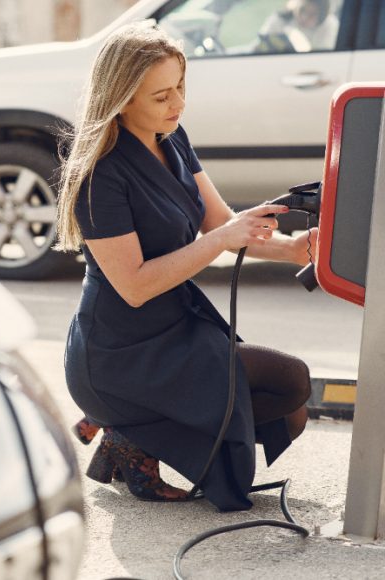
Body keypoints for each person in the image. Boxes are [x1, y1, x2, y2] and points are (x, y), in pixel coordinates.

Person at [55, 21, 317, 511]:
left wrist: (294, 248)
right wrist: (224, 237)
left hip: (176, 325)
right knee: (290, 383)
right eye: (161, 95)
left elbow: (220, 222)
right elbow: (134, 286)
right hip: (119, 351)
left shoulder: (171, 136)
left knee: (293, 405)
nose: (177, 104)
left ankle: (128, 427)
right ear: (122, 98)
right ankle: (125, 418)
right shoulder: (100, 172)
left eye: (180, 87)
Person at [258, 0, 339, 52]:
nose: (304, 18)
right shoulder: (280, 18)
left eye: (312, 15)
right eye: (302, 10)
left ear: (322, 16)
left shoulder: (329, 25)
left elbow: (323, 56)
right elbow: (261, 42)